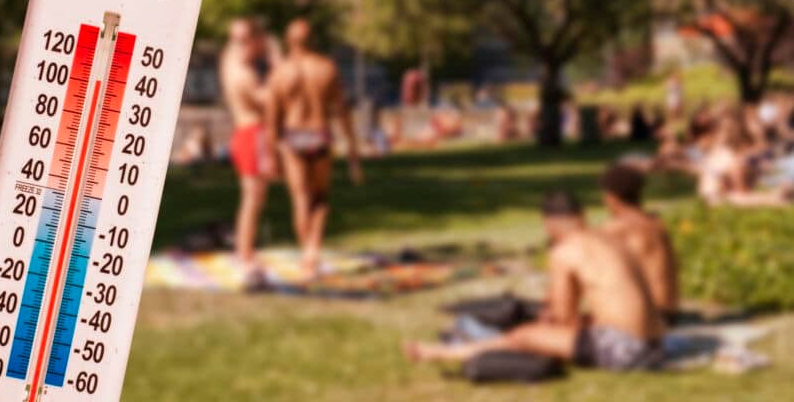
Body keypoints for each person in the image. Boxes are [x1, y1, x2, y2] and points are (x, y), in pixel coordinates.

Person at [404, 192, 664, 371]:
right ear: (581, 215)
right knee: (566, 328)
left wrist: (549, 321)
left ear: (549, 224)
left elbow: (563, 317)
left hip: (627, 351)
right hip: (656, 343)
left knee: (523, 335)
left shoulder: (565, 251)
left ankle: (441, 352)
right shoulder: (609, 238)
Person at [266, 19, 362, 278]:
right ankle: (312, 250)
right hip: (319, 135)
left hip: (292, 137)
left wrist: (271, 155)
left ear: (289, 41)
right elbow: (343, 112)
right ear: (313, 39)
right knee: (320, 199)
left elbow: (272, 120)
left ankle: (307, 257)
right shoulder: (326, 68)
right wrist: (353, 149)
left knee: (300, 198)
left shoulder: (280, 73)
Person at [219, 19, 275, 280]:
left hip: (244, 133)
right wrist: (277, 65)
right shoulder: (244, 72)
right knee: (253, 198)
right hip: (252, 134)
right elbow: (266, 101)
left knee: (253, 197)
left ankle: (244, 250)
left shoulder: (229, 60)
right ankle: (244, 254)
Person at [599, 164, 679, 319]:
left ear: (611, 197)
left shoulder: (618, 228)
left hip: (647, 315)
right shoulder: (655, 223)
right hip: (668, 310)